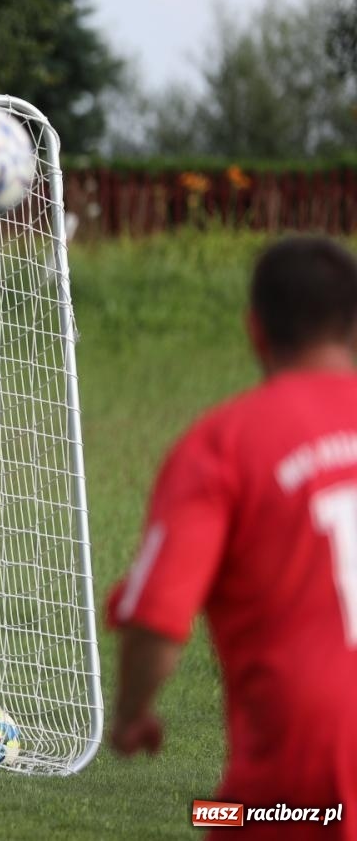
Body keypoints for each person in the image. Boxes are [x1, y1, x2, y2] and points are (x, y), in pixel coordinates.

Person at [107, 235, 357, 832]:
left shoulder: (224, 444)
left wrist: (131, 714)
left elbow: (158, 620)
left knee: (220, 815)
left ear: (254, 330)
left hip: (308, 775)